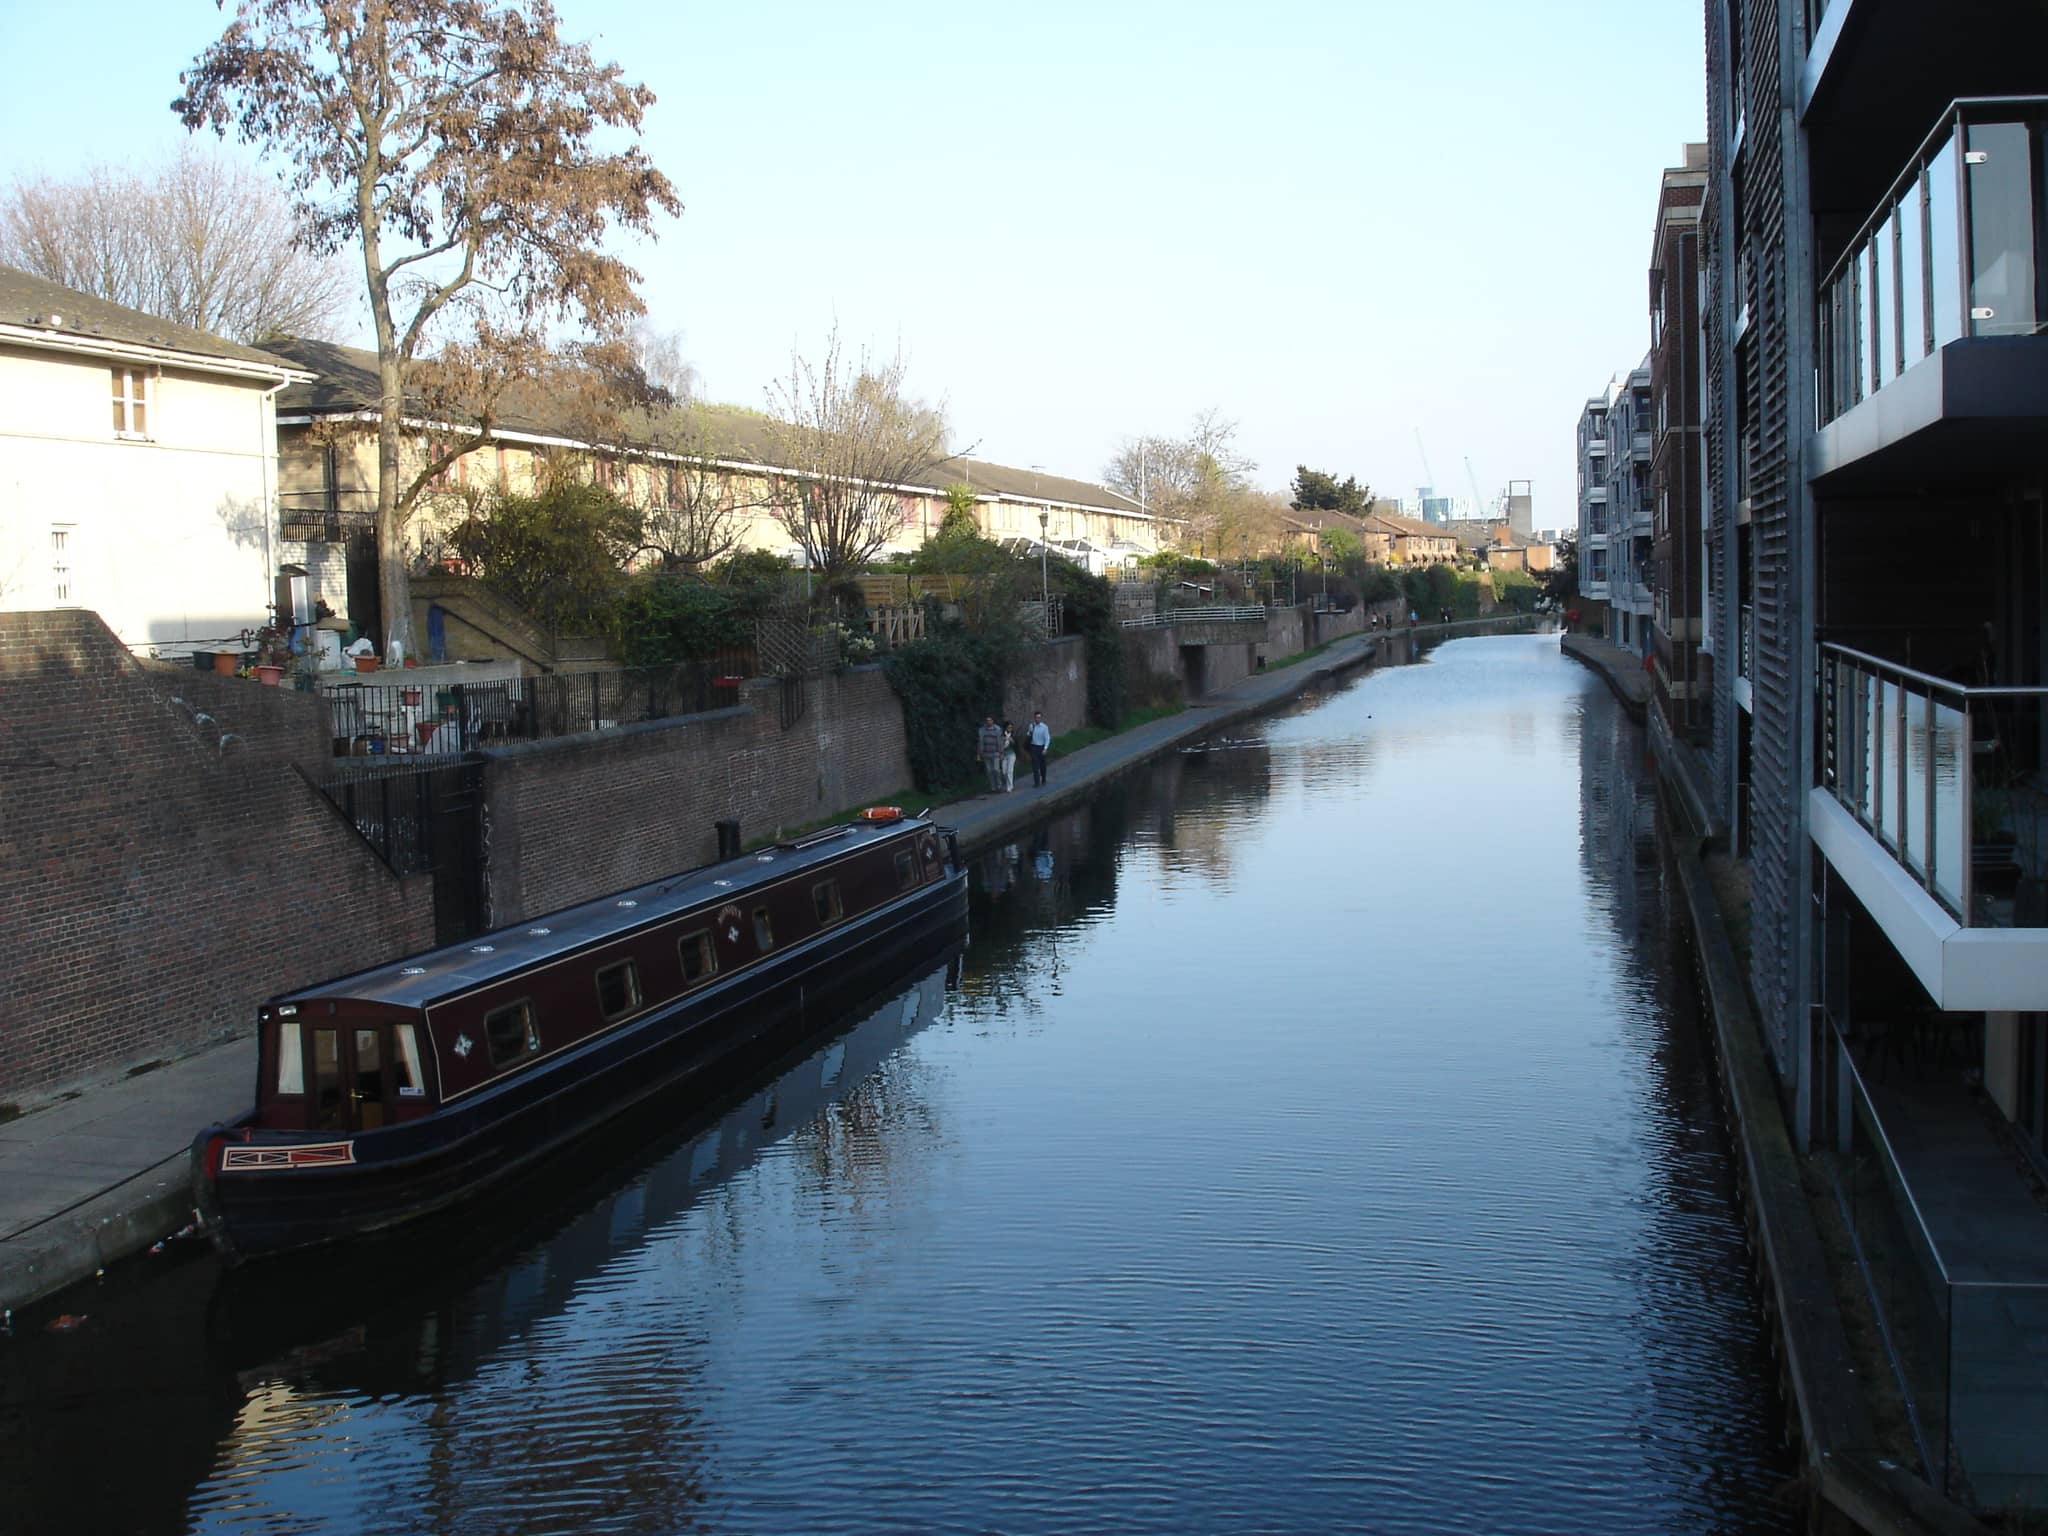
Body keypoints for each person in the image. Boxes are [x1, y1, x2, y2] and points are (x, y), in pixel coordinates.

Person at [977, 714, 1005, 792]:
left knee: (996, 770)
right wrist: (979, 754)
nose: (988, 722)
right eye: (987, 720)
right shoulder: (982, 730)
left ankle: (999, 786)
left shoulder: (997, 729)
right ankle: (993, 787)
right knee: (989, 771)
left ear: (993, 721)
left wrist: (1002, 753)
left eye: (990, 720)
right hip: (986, 753)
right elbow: (979, 742)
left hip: (995, 752)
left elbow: (1000, 742)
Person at [1027, 711, 1052, 787]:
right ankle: (1037, 782)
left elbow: (1047, 738)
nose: (1038, 719)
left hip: (1041, 747)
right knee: (1035, 765)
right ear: (1034, 718)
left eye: (1039, 717)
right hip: (1034, 747)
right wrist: (1029, 732)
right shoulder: (1031, 726)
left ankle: (1043, 778)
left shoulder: (1044, 727)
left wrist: (1045, 748)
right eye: (1036, 717)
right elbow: (1028, 734)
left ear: (1041, 718)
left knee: (1042, 765)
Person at [999, 719, 1018, 792]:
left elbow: (1016, 746)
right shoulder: (1002, 735)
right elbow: (1000, 745)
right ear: (1006, 728)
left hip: (1011, 754)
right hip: (1004, 755)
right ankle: (1010, 784)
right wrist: (1001, 754)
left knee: (1010, 770)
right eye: (1009, 727)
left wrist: (1012, 741)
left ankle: (1009, 787)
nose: (1010, 729)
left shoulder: (1013, 735)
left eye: (1011, 727)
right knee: (1004, 772)